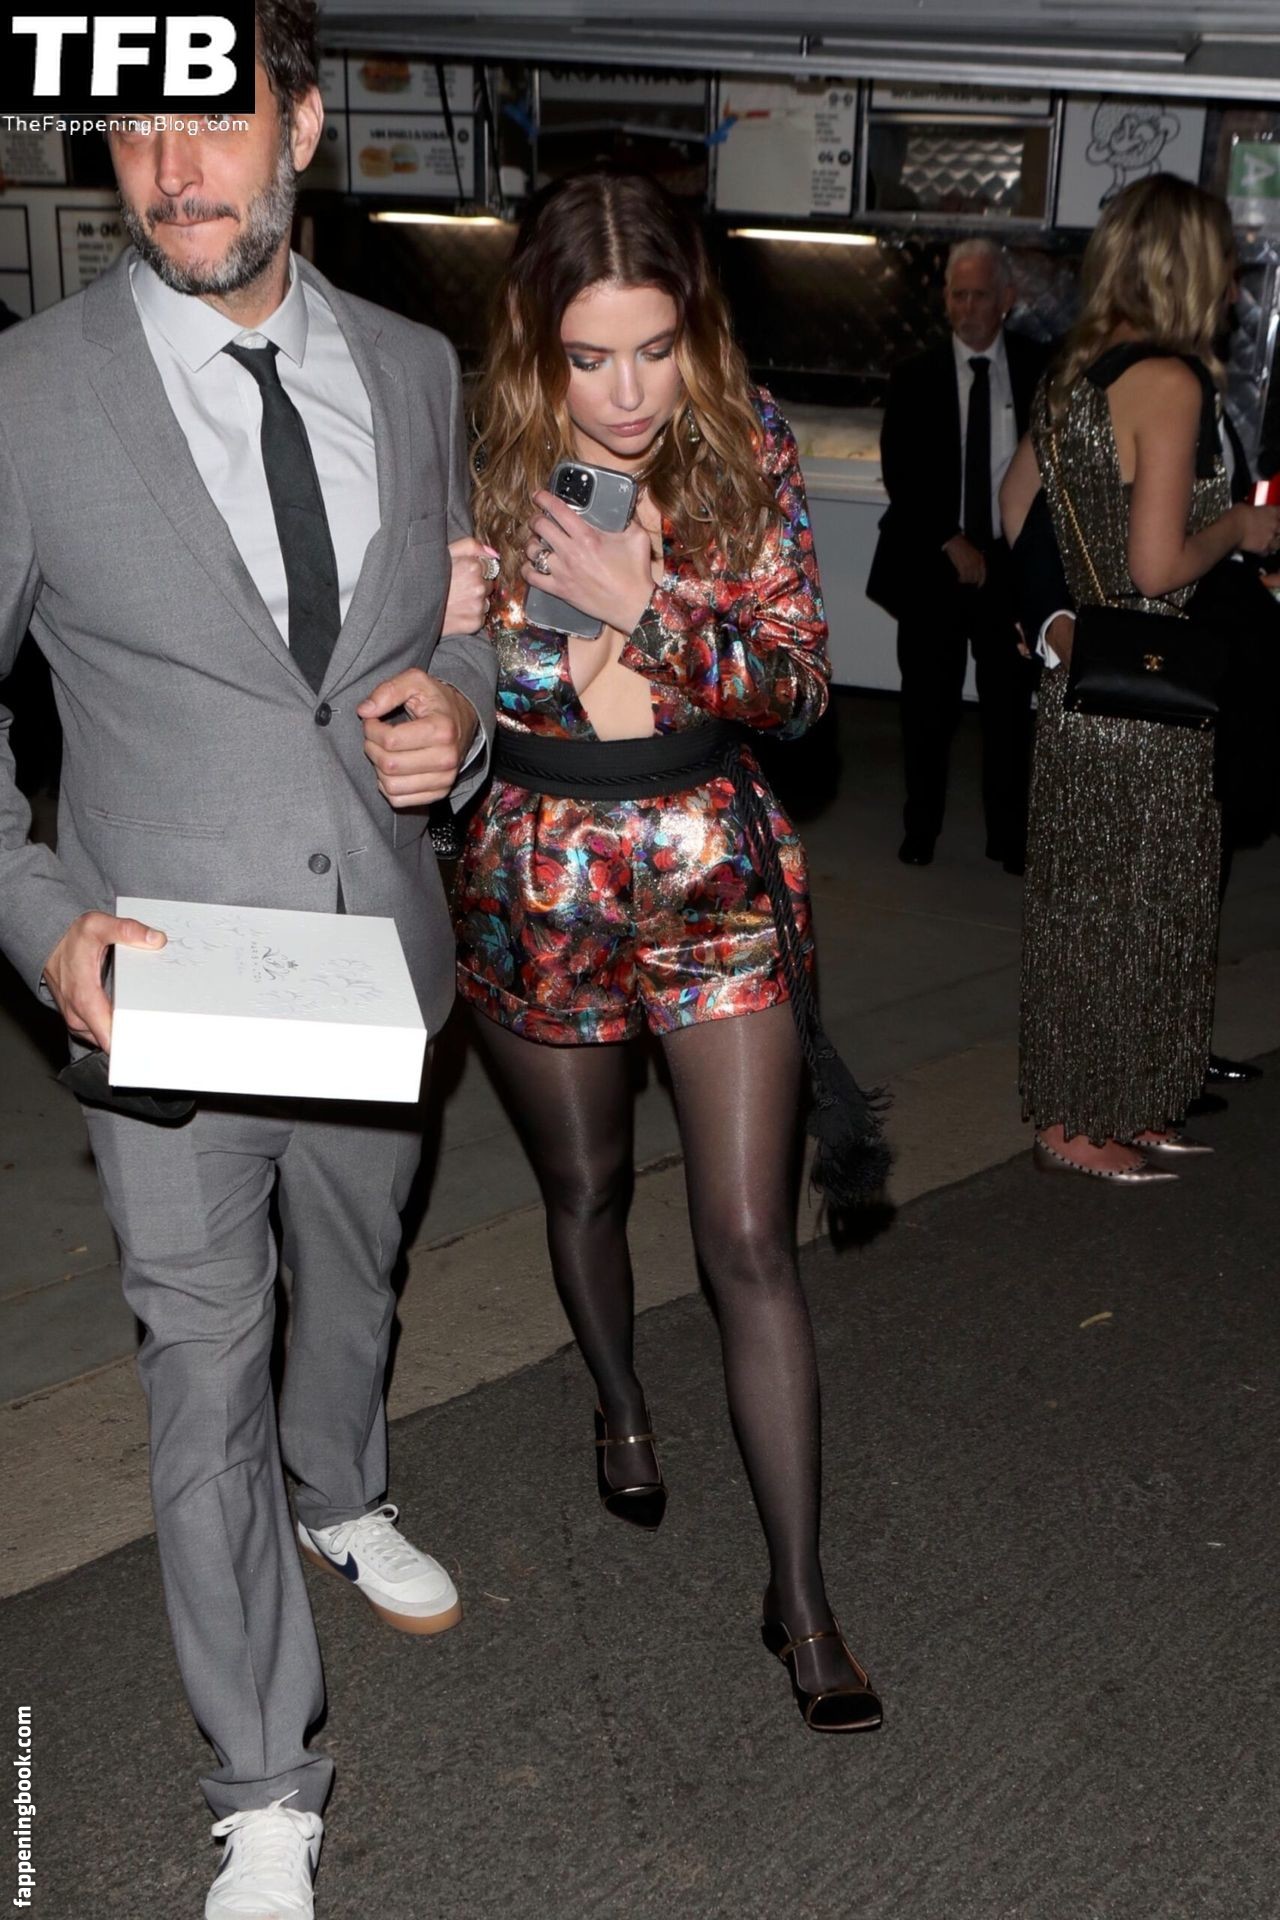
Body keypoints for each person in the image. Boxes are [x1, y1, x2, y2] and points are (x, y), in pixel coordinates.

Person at [0, 5, 496, 1914]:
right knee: (200, 1361)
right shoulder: (31, 393)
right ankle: (265, 1785)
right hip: (163, 992)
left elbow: (453, 619)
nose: (170, 168)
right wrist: (42, 916)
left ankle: (344, 1489)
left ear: (302, 125)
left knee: (352, 1279)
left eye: (209, 120)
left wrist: (459, 716)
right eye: (131, 127)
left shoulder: (417, 367)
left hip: (375, 964)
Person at [372, 170, 883, 1734]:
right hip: (535, 870)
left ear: (692, 331)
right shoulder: (475, 463)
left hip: (711, 861)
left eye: (655, 349)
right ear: (540, 343)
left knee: (749, 1240)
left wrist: (645, 604)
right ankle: (616, 1400)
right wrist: (446, 630)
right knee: (588, 1187)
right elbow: (430, 699)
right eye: (591, 358)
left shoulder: (746, 444)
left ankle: (802, 1604)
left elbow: (800, 690)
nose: (627, 394)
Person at [999, 174, 1280, 1182]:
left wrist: (1060, 618)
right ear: (1187, 268)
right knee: (1136, 909)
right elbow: (1158, 566)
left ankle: (1119, 1105)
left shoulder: (1075, 371)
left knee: (1102, 904)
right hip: (1152, 688)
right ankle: (1080, 1128)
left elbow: (1011, 505)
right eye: (1224, 266)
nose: (1234, 288)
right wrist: (1239, 527)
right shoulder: (1170, 381)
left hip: (1087, 686)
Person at [867, 236, 1050, 871]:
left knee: (1009, 709)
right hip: (933, 561)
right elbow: (902, 472)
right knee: (927, 706)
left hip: (1007, 564)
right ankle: (921, 827)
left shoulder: (1038, 370)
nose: (967, 307)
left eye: (980, 295)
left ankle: (1008, 836)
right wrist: (950, 539)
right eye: (958, 295)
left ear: (1007, 299)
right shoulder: (914, 375)